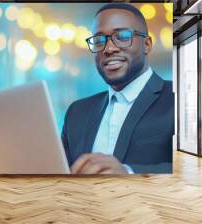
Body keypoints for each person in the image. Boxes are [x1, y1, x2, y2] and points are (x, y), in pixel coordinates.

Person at [61, 3, 174, 174]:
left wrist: (128, 173)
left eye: (122, 36)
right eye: (99, 41)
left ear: (147, 45)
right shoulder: (77, 112)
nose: (109, 49)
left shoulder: (177, 99)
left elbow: (195, 170)